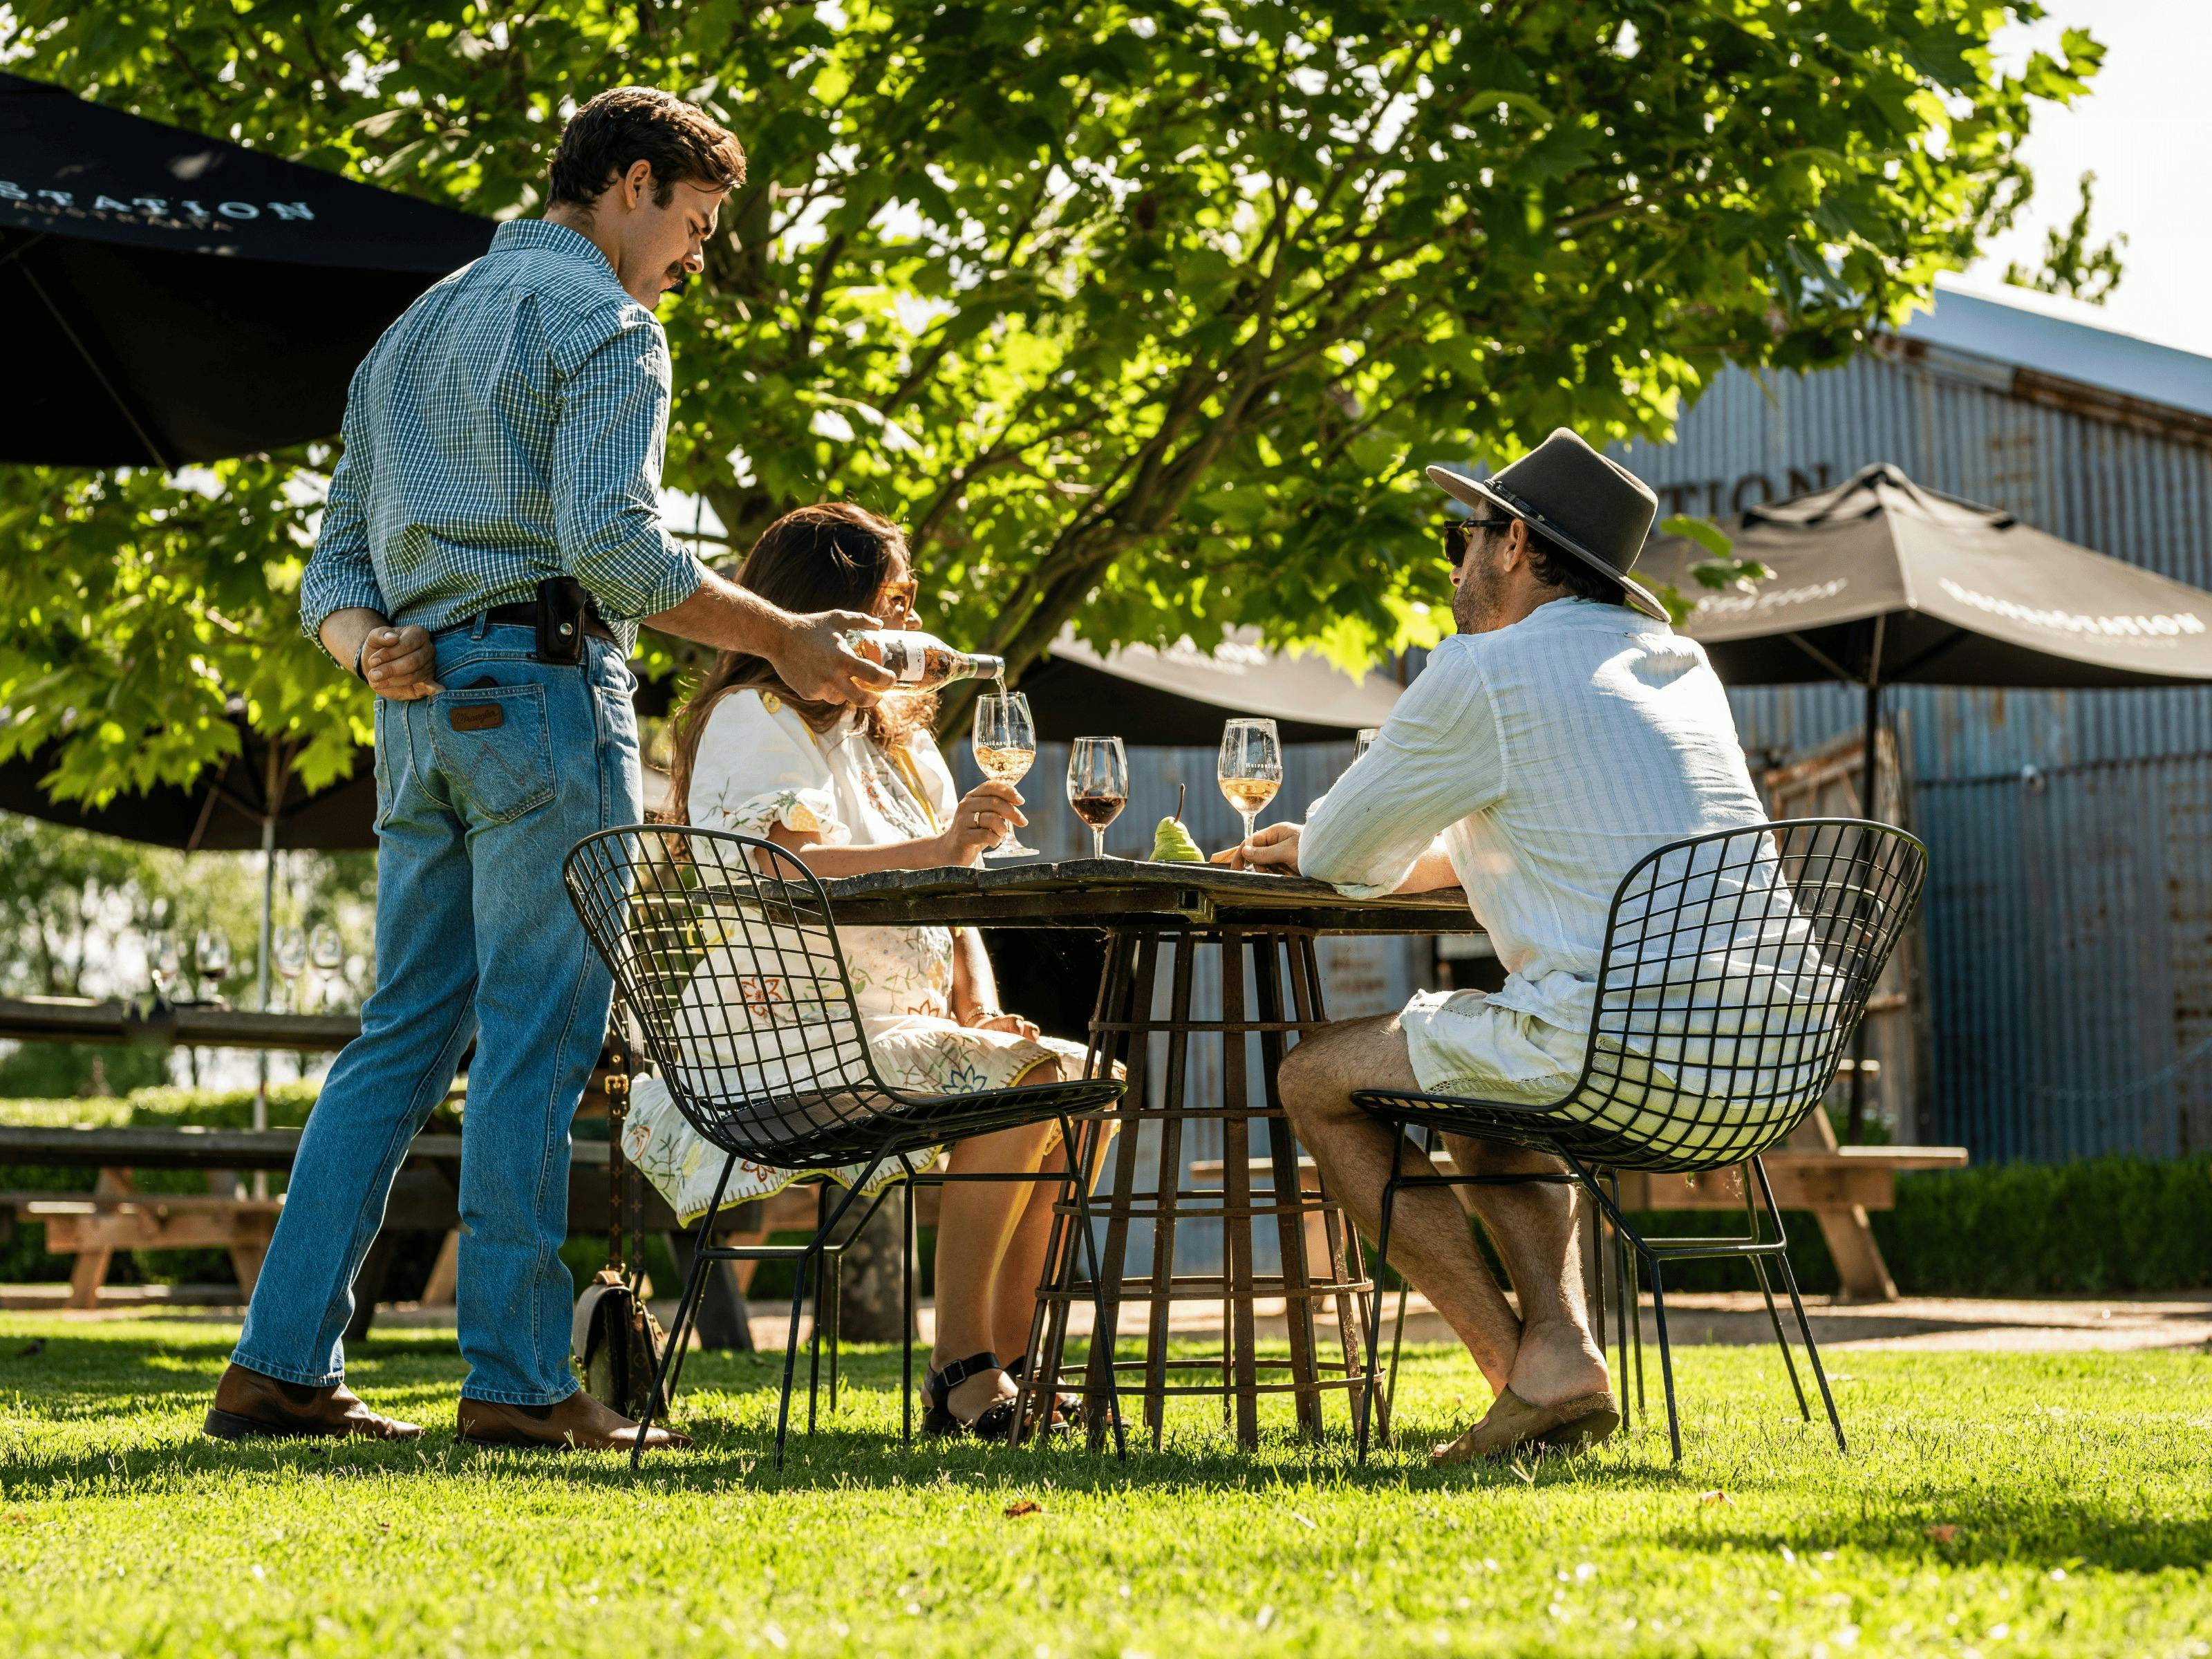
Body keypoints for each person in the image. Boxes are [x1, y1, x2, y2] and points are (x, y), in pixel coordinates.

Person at [204, 88, 897, 1452]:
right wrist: (791, 642)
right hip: (542, 699)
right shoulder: (606, 326)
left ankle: (279, 1366)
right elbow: (620, 556)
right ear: (632, 186)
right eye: (693, 225)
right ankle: (519, 1380)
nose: (693, 259)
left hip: (419, 718)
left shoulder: (407, 335)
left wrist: (369, 653)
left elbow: (332, 575)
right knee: (538, 1037)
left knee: (398, 1039)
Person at [1217, 428, 1771, 1462]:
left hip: (1622, 1049)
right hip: (1765, 1053)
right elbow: (1567, 823)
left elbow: (1343, 852)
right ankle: (1560, 1359)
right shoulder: (1678, 665)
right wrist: (1419, 855)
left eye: (1459, 538)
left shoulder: (1482, 668)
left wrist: (1335, 847)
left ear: (1515, 543)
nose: (1456, 565)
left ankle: (1514, 1369)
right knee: (1475, 1086)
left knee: (1312, 1079)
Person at [626, 500, 1106, 1439]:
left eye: (911, 601)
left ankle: (1010, 1372)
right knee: (1036, 1085)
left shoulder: (900, 738)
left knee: (1085, 1084)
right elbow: (776, 869)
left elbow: (953, 898)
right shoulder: (751, 717)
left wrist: (983, 1008)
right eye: (892, 600)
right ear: (827, 611)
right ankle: (963, 1375)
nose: (908, 623)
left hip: (895, 1029)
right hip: (784, 1043)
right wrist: (938, 845)